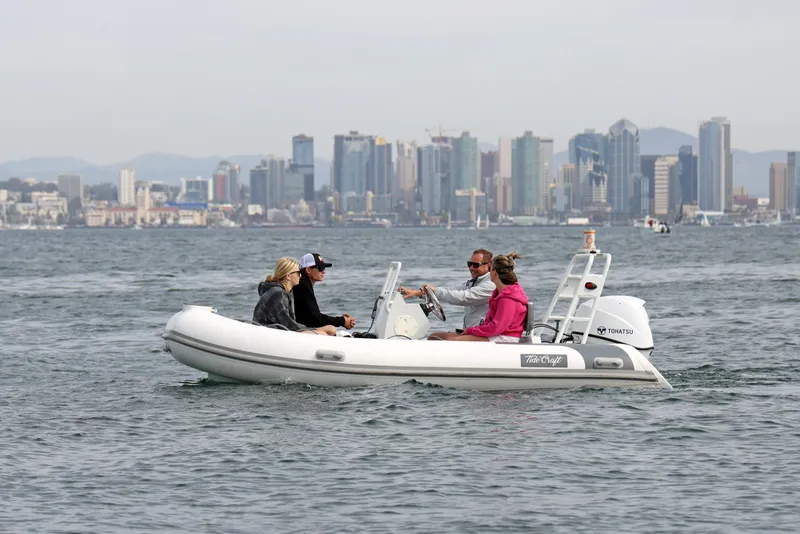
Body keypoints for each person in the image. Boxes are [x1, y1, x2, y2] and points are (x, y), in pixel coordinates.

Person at [398, 249, 494, 340]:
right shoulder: (473, 282)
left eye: (475, 265)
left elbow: (463, 298)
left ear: (488, 265)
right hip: (471, 331)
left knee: (448, 339)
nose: (471, 268)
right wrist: (416, 293)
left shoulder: (490, 284)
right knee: (434, 337)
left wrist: (435, 290)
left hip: (483, 334)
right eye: (469, 264)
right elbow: (451, 291)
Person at [447, 252, 528, 343]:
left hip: (506, 337)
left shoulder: (508, 298)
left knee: (453, 341)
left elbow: (496, 327)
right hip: (498, 334)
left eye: (491, 269)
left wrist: (471, 330)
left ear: (495, 273)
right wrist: (473, 330)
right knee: (444, 338)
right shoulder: (499, 293)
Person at [252, 257, 336, 336]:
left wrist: (314, 329)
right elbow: (287, 323)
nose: (300, 276)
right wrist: (314, 330)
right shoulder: (277, 293)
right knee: (323, 334)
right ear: (288, 276)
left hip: (280, 330)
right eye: (298, 273)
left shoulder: (287, 292)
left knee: (331, 329)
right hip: (268, 332)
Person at [293, 252, 357, 330]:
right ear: (308, 269)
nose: (323, 271)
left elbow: (313, 317)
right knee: (331, 329)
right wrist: (342, 321)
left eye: (324, 268)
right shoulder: (303, 285)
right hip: (296, 329)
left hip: (298, 325)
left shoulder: (302, 282)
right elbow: (315, 318)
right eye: (320, 268)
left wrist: (342, 320)